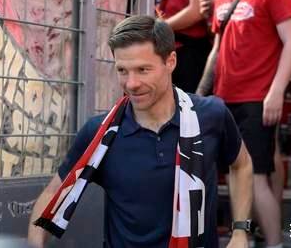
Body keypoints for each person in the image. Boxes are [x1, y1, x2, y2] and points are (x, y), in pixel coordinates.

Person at [27, 15, 253, 248]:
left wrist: (240, 232)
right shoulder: (100, 135)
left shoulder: (211, 115)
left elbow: (242, 165)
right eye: (122, 70)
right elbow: (53, 194)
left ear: (171, 61)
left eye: (143, 70)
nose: (131, 83)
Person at [197, 0, 291, 248]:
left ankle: (274, 243)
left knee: (255, 177)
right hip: (223, 99)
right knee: (229, 174)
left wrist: (276, 91)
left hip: (256, 98)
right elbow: (216, 50)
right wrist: (200, 94)